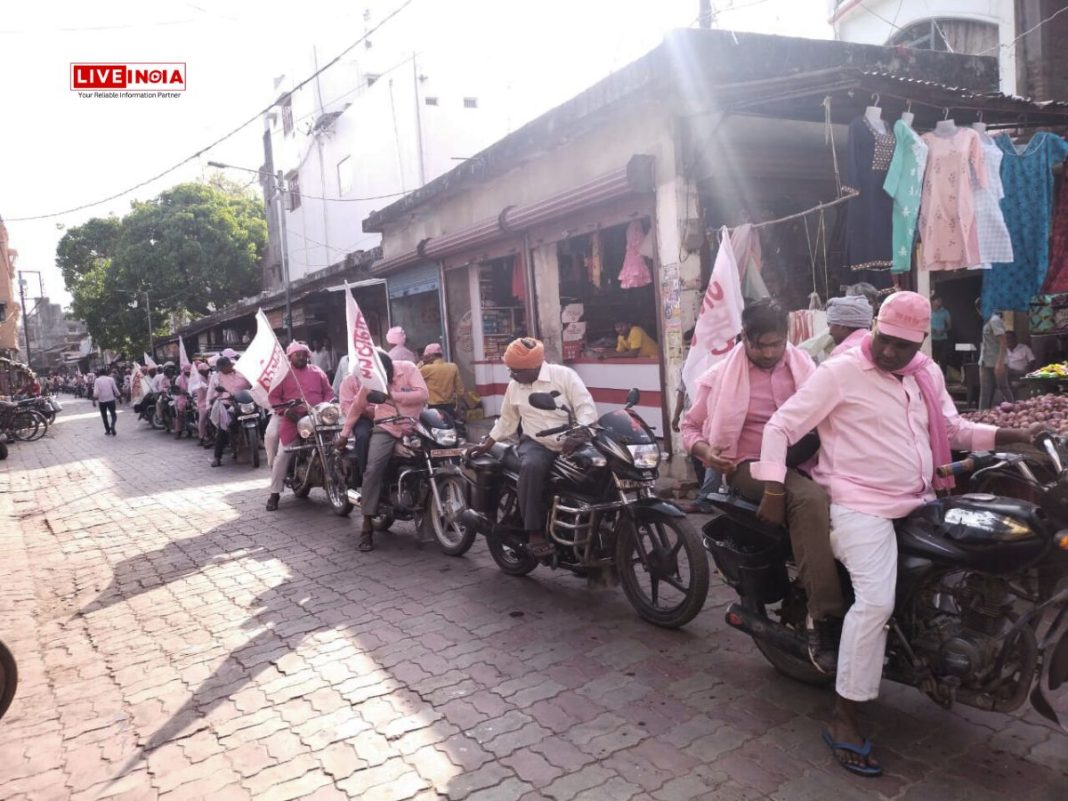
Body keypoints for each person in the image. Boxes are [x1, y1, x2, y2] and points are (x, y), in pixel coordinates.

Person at [751, 291, 1037, 777]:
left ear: (920, 342)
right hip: (859, 503)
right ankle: (845, 716)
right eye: (884, 341)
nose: (889, 353)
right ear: (875, 328)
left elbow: (953, 428)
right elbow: (781, 425)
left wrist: (1013, 437)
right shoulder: (840, 370)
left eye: (902, 346)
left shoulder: (924, 373)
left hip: (920, 497)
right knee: (876, 602)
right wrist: (774, 489)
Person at [681, 299, 842, 673]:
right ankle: (826, 621)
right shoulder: (719, 376)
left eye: (777, 344)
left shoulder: (806, 368)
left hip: (807, 459)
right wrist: (707, 451)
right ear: (745, 338)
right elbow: (689, 429)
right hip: (749, 467)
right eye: (761, 345)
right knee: (809, 500)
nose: (769, 353)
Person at [465, 338, 597, 558]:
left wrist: (581, 431)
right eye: (510, 370)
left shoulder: (564, 376)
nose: (511, 375)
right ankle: (534, 531)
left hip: (573, 440)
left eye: (515, 370)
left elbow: (585, 407)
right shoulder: (515, 386)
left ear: (534, 367)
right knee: (532, 467)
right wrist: (486, 444)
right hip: (537, 444)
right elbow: (507, 420)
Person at [336, 351, 428, 551]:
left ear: (388, 368)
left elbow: (423, 394)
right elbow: (356, 408)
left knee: (439, 457)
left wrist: (391, 396)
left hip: (415, 426)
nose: (379, 380)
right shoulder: (370, 381)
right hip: (386, 428)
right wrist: (344, 435)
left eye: (382, 375)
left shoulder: (408, 369)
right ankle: (367, 525)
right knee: (373, 468)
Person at [266, 342, 334, 511]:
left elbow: (329, 392)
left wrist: (325, 405)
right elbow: (274, 398)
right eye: (298, 355)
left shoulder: (317, 372)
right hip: (292, 419)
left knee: (335, 446)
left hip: (317, 417)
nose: (302, 357)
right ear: (290, 357)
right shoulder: (282, 374)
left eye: (304, 354)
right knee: (283, 454)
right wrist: (286, 411)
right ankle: (274, 494)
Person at [208, 357, 253, 467]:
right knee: (223, 429)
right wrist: (211, 401)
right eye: (220, 369)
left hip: (247, 401)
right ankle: (217, 457)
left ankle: (261, 443)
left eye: (223, 368)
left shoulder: (242, 371)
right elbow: (212, 391)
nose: (221, 370)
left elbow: (253, 383)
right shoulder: (217, 377)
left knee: (263, 417)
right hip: (229, 403)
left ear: (229, 365)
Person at [978, 300, 1013, 410]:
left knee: (1003, 387)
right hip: (985, 362)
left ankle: (1013, 408)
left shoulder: (994, 320)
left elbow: (1003, 341)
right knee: (985, 392)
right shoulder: (987, 321)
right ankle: (982, 415)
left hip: (996, 362)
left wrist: (1000, 363)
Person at [419, 343, 465, 420]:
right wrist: (458, 407)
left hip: (433, 407)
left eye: (426, 356)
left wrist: (421, 363)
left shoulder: (426, 369)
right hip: (449, 406)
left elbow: (414, 374)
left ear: (430, 356)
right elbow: (460, 391)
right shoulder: (453, 367)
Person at [93, 370, 121, 436]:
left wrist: (94, 400)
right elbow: (115, 389)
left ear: (99, 373)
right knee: (113, 414)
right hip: (111, 399)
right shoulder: (111, 379)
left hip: (102, 401)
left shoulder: (97, 380)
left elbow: (96, 392)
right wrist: (119, 397)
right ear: (106, 373)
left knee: (104, 416)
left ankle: (108, 430)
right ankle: (113, 425)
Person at [930, 295, 952, 371]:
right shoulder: (928, 311)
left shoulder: (945, 312)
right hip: (931, 339)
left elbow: (949, 326)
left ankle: (944, 378)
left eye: (940, 300)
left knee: (943, 359)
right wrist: (931, 329)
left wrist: (943, 331)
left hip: (943, 339)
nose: (939, 302)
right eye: (937, 300)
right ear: (932, 301)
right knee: (932, 359)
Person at [193, 362, 211, 446]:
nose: (207, 371)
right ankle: (201, 437)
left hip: (211, 399)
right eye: (205, 370)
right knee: (202, 419)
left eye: (207, 370)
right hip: (202, 402)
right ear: (200, 371)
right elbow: (205, 387)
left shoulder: (210, 376)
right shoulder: (198, 379)